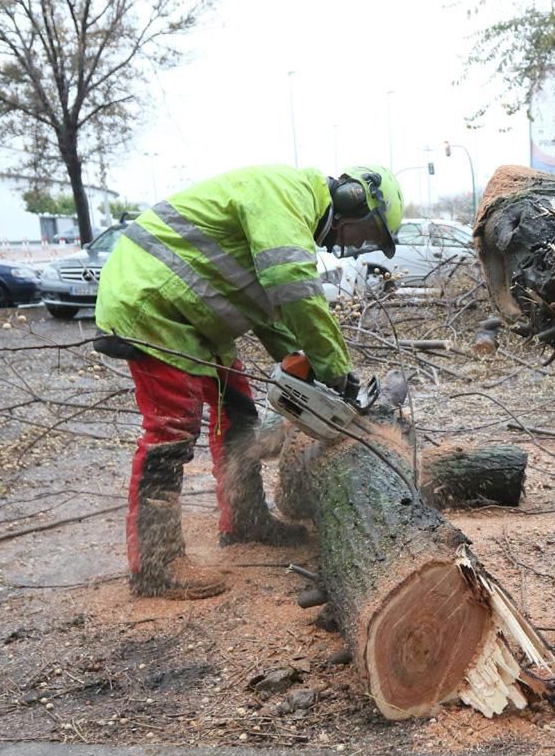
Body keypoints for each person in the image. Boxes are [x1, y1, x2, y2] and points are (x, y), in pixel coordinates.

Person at [95, 164, 403, 600]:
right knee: (172, 428)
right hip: (152, 304)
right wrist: (338, 375)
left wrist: (305, 370)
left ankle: (244, 520)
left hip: (194, 318)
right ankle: (155, 565)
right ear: (355, 199)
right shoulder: (287, 193)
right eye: (365, 233)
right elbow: (292, 286)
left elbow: (272, 314)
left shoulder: (292, 216)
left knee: (238, 412)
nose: (353, 246)